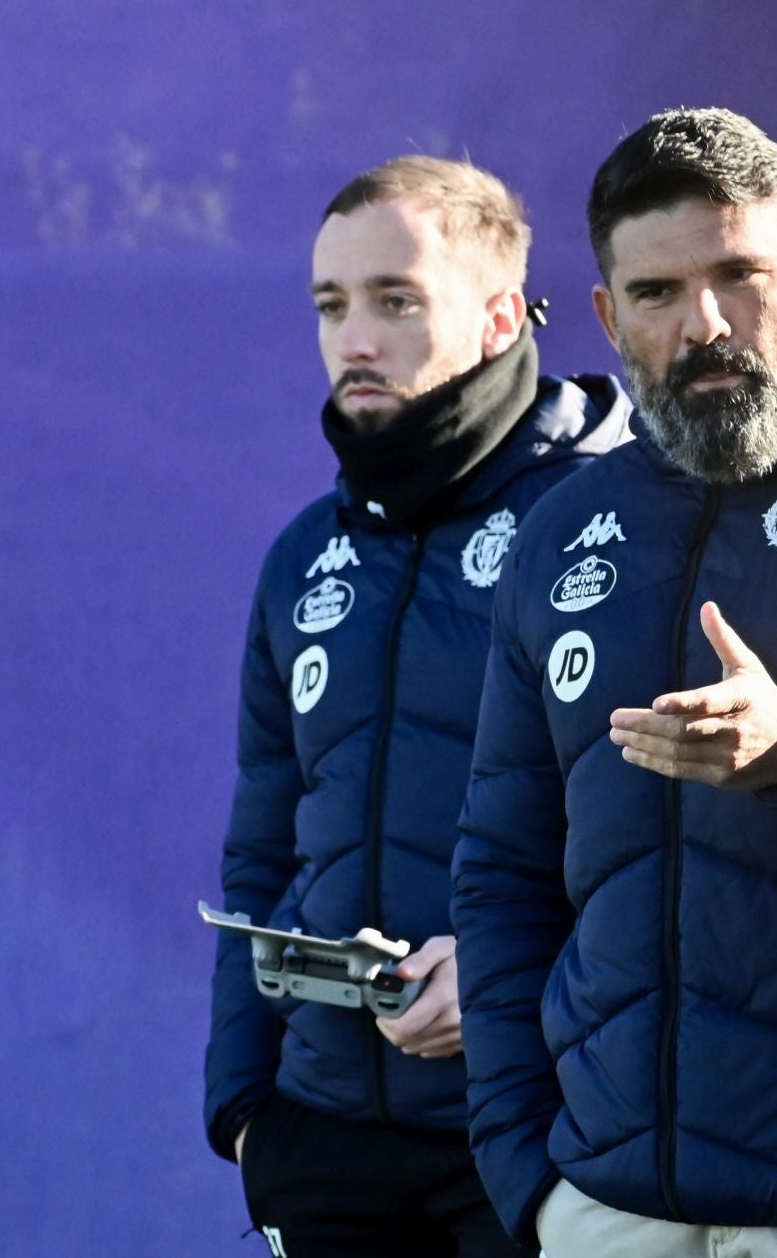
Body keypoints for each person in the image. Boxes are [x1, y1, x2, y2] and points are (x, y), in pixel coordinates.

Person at [450, 108, 777, 1258]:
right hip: (609, 1204)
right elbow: (503, 871)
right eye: (660, 293)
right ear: (612, 317)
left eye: (740, 274)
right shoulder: (563, 529)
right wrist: (530, 1170)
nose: (707, 324)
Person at [203, 156, 632, 1258]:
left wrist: (504, 980)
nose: (355, 338)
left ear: (499, 316)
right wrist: (248, 1114)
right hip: (324, 1139)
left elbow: (670, 846)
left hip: (539, 1130)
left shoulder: (610, 518)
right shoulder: (306, 556)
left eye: (396, 300)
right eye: (330, 305)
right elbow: (262, 848)